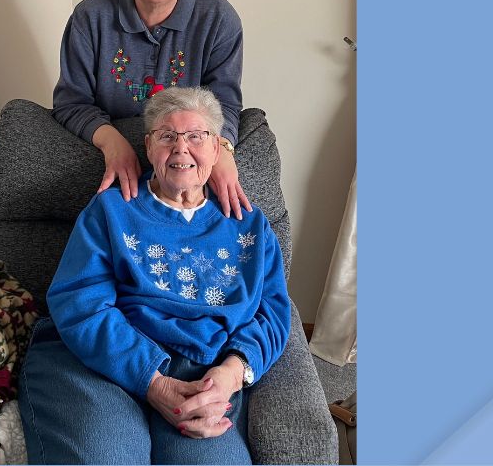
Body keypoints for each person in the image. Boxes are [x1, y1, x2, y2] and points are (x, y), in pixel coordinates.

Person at [18, 88, 291, 464]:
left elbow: (273, 313)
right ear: (149, 147)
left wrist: (230, 375)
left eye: (196, 136)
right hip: (102, 361)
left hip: (204, 372)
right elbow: (79, 301)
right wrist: (154, 381)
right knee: (103, 457)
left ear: (217, 149)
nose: (181, 148)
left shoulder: (251, 225)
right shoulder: (112, 209)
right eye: (167, 136)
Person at [52, 0, 252, 220]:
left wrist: (223, 149)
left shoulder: (219, 20)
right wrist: (111, 142)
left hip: (185, 171)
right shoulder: (89, 18)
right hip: (116, 184)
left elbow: (225, 102)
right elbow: (70, 101)